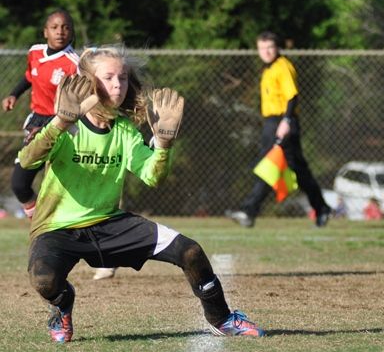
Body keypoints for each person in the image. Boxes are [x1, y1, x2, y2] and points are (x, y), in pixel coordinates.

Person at [19, 45, 264, 343]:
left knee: (190, 252)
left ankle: (222, 318)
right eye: (108, 77)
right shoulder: (66, 125)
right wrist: (59, 122)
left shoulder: (124, 130)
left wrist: (162, 144)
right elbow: (29, 159)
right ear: (87, 80)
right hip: (57, 227)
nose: (117, 85)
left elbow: (152, 176)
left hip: (108, 222)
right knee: (44, 280)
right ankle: (62, 304)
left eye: (122, 78)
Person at [228, 31, 331, 228]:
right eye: (262, 48)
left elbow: (292, 96)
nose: (266, 51)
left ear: (277, 48)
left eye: (270, 47)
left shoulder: (283, 66)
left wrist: (286, 121)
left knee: (272, 166)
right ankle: (321, 208)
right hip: (271, 123)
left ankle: (249, 211)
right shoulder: (268, 69)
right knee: (292, 169)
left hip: (282, 123)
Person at [2, 9, 78, 219]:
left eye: (65, 27)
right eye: (54, 27)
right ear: (45, 32)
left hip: (64, 126)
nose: (60, 31)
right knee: (19, 184)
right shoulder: (35, 52)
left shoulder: (75, 63)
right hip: (36, 121)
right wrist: (13, 95)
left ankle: (59, 230)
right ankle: (40, 222)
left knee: (59, 188)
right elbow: (30, 76)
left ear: (71, 32)